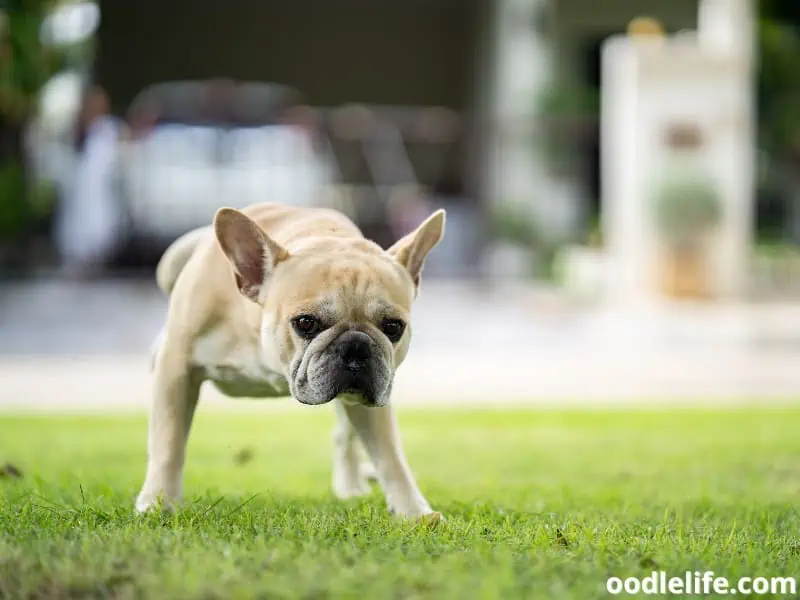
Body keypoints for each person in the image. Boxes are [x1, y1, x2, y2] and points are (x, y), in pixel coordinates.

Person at [54, 85, 125, 278]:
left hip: (102, 188)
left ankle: (96, 261)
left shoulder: (109, 128)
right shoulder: (78, 130)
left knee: (100, 224)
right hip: (81, 188)